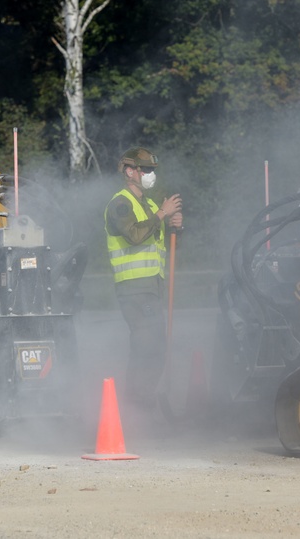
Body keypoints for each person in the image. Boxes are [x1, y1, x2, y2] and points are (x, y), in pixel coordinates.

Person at [103, 147, 183, 415]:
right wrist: (162, 214)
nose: (150, 175)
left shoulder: (149, 205)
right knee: (147, 345)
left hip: (152, 287)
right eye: (145, 169)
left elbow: (158, 244)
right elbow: (135, 236)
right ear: (130, 172)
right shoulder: (121, 203)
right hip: (134, 289)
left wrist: (175, 227)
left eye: (152, 170)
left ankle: (141, 403)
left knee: (154, 345)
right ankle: (137, 405)